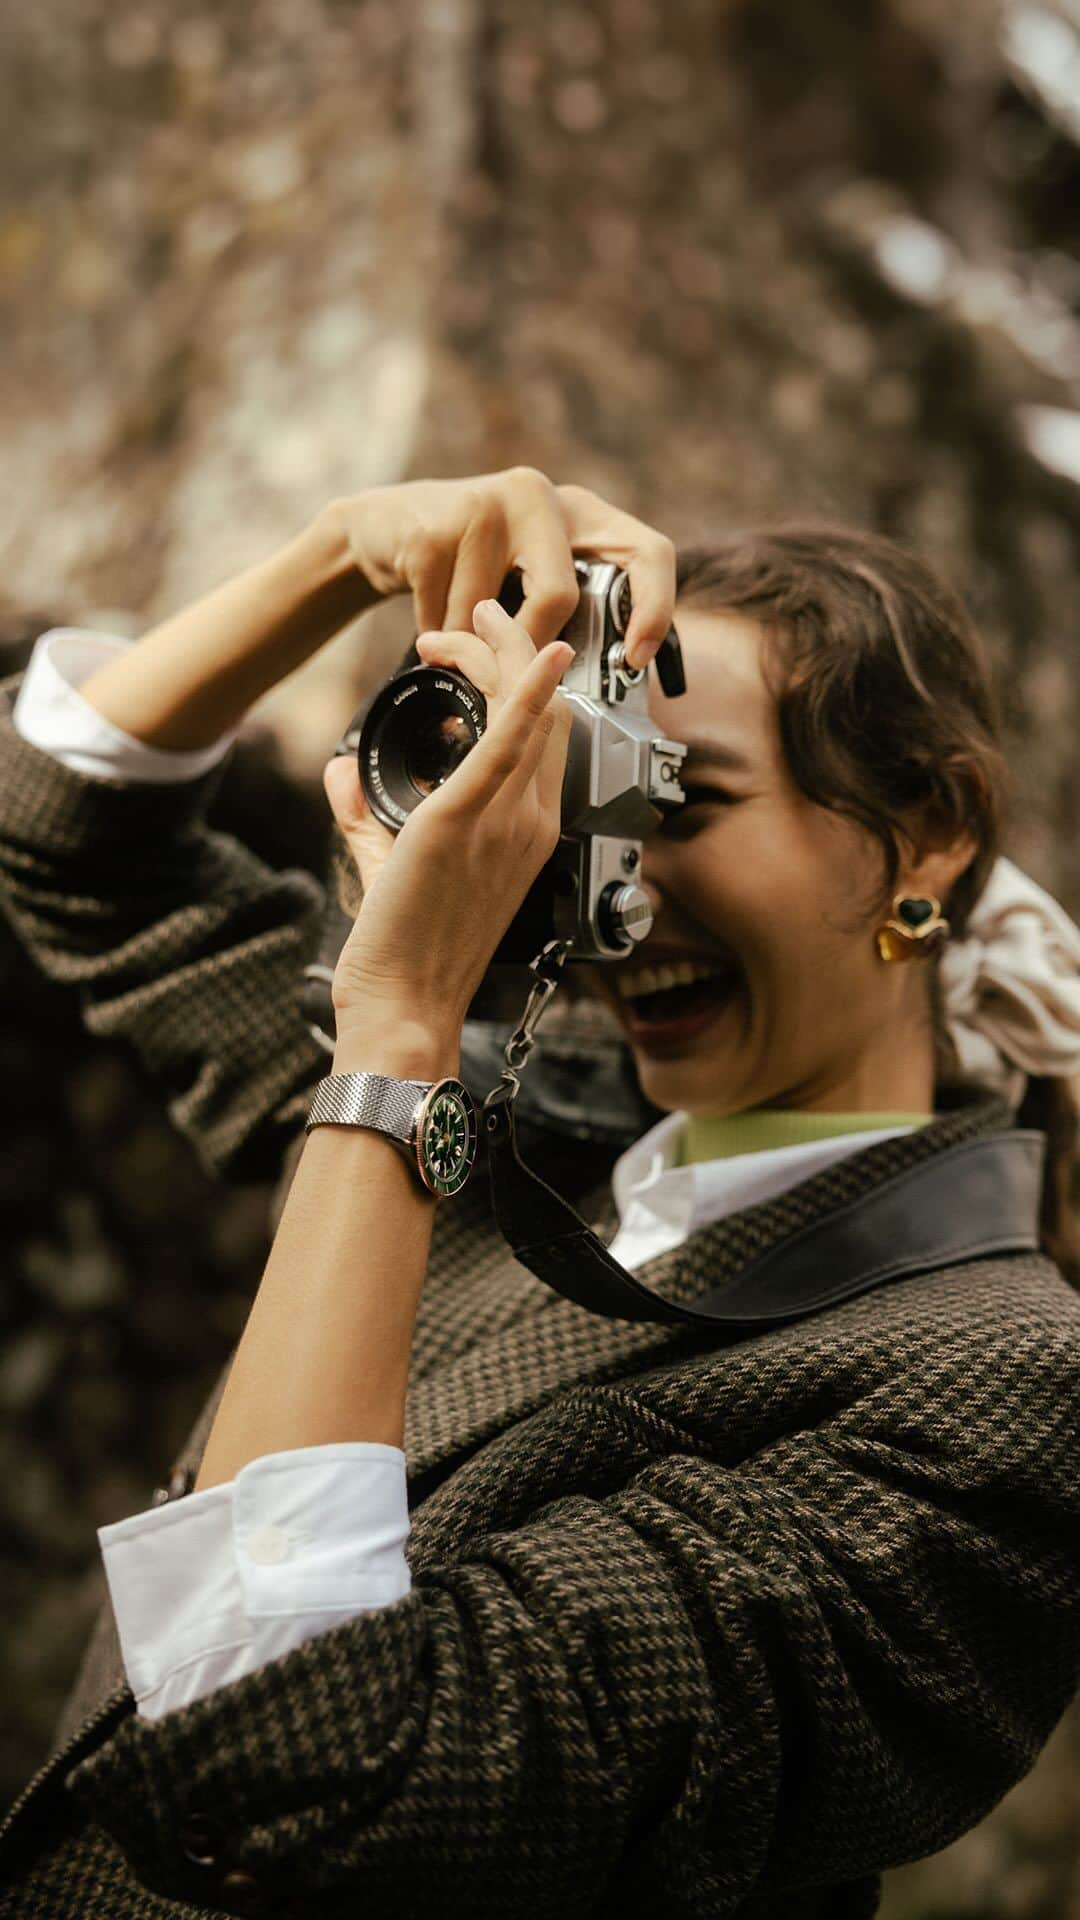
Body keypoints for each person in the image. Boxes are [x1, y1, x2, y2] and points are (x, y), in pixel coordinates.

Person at [0, 467, 1077, 1919]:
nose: (615, 890)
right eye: (584, 806)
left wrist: (392, 1049)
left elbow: (290, 1760)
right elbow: (66, 834)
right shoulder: (540, 1131)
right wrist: (343, 552)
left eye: (677, 798)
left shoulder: (996, 1391)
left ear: (931, 831)